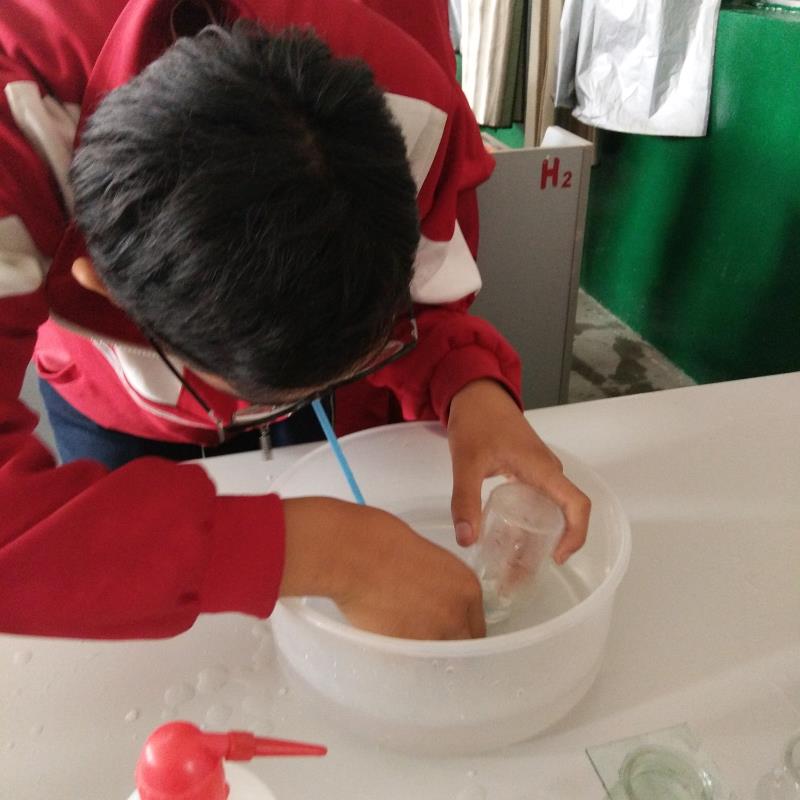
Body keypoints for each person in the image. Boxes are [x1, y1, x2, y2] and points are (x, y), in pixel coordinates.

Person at [0, 0, 590, 641]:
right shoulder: (18, 119)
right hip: (112, 403)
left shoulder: (415, 100)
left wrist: (466, 382)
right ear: (105, 289)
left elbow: (421, 297)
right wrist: (328, 554)